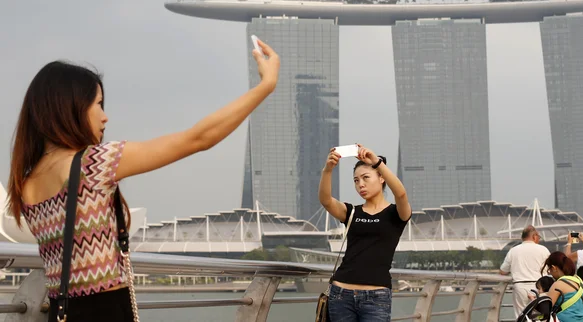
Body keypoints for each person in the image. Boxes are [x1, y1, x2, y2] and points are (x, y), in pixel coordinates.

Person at [6, 40, 280, 322]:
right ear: (70, 108)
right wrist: (265, 87)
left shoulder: (26, 183)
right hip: (107, 311)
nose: (105, 116)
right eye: (98, 104)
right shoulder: (94, 163)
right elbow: (199, 138)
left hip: (61, 311)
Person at [318, 144, 412, 321]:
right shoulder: (352, 211)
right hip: (340, 294)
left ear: (381, 178)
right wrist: (328, 170)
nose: (360, 184)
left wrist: (376, 162)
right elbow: (325, 201)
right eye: (356, 180)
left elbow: (401, 194)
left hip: (376, 297)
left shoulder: (396, 213)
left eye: (365, 178)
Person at [499, 225, 551, 317]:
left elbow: (503, 271)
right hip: (540, 287)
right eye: (539, 237)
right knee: (540, 316)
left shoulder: (513, 251)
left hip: (520, 286)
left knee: (521, 316)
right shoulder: (543, 250)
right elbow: (550, 269)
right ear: (534, 236)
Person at [542, 252, 583, 322]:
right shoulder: (579, 281)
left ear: (554, 268)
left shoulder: (559, 284)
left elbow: (545, 310)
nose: (550, 273)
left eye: (549, 270)